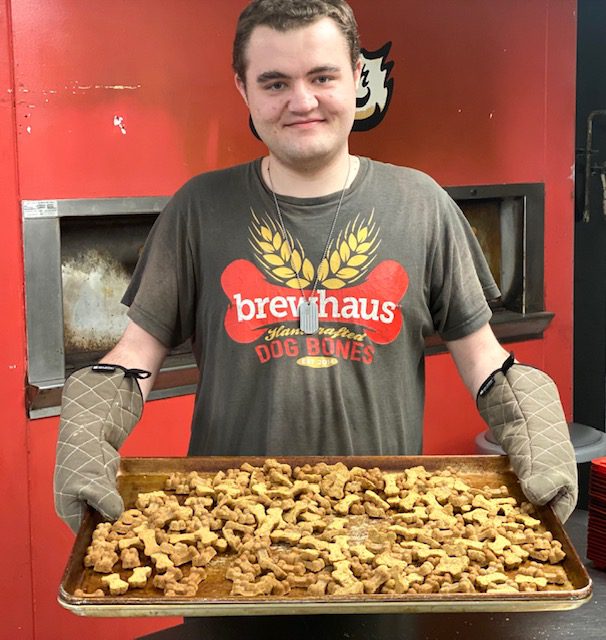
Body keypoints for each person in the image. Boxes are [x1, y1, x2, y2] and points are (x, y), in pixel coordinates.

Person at [54, 0, 577, 534]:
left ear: (356, 76)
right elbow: (136, 355)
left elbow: (483, 359)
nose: (301, 102)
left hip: (382, 536)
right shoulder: (199, 209)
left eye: (322, 76)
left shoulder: (422, 204)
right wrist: (89, 425)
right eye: (275, 83)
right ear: (244, 90)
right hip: (229, 533)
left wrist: (534, 423)